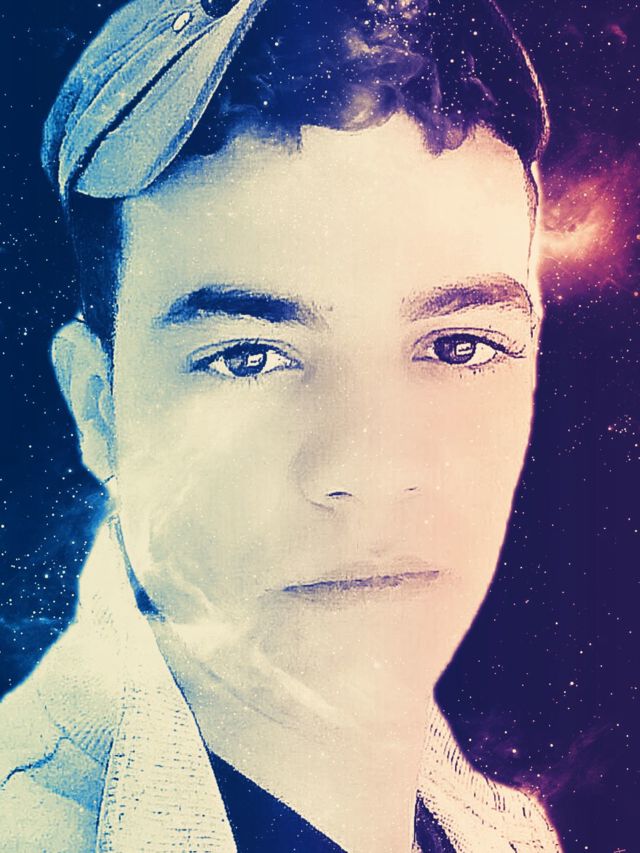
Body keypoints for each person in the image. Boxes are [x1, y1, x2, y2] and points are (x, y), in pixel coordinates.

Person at [0, 0, 562, 849]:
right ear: (98, 407)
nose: (372, 469)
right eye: (249, 356)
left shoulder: (508, 831)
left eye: (459, 346)